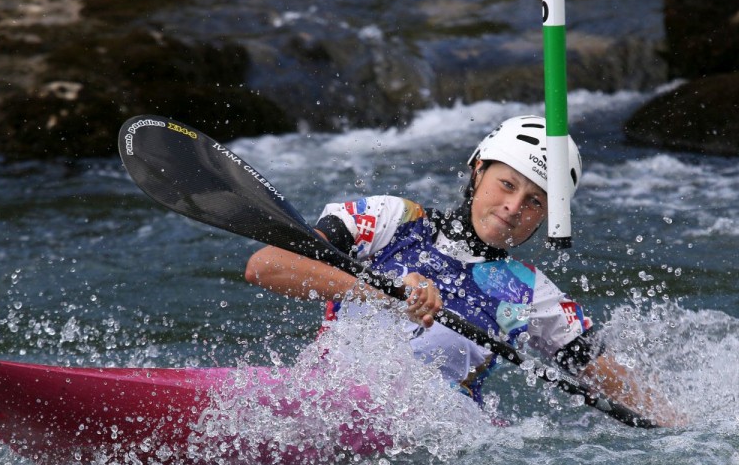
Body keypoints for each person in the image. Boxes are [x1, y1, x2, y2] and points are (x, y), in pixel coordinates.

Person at [245, 115, 678, 427]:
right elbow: (265, 266)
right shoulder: (393, 219)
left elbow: (614, 381)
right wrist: (387, 293)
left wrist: (684, 427)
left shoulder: (532, 294)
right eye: (507, 185)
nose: (513, 208)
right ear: (478, 171)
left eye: (534, 202)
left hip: (432, 439)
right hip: (322, 399)